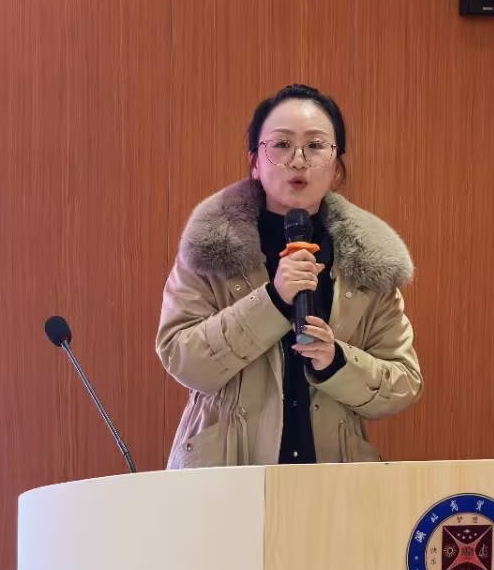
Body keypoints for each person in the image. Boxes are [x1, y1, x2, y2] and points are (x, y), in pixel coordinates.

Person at [156, 83, 422, 468]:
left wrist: (337, 361)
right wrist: (273, 301)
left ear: (337, 168)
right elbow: (181, 358)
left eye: (315, 146)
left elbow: (404, 382)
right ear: (254, 162)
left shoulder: (369, 264)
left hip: (331, 480)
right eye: (281, 145)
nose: (298, 160)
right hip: (226, 475)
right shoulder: (210, 249)